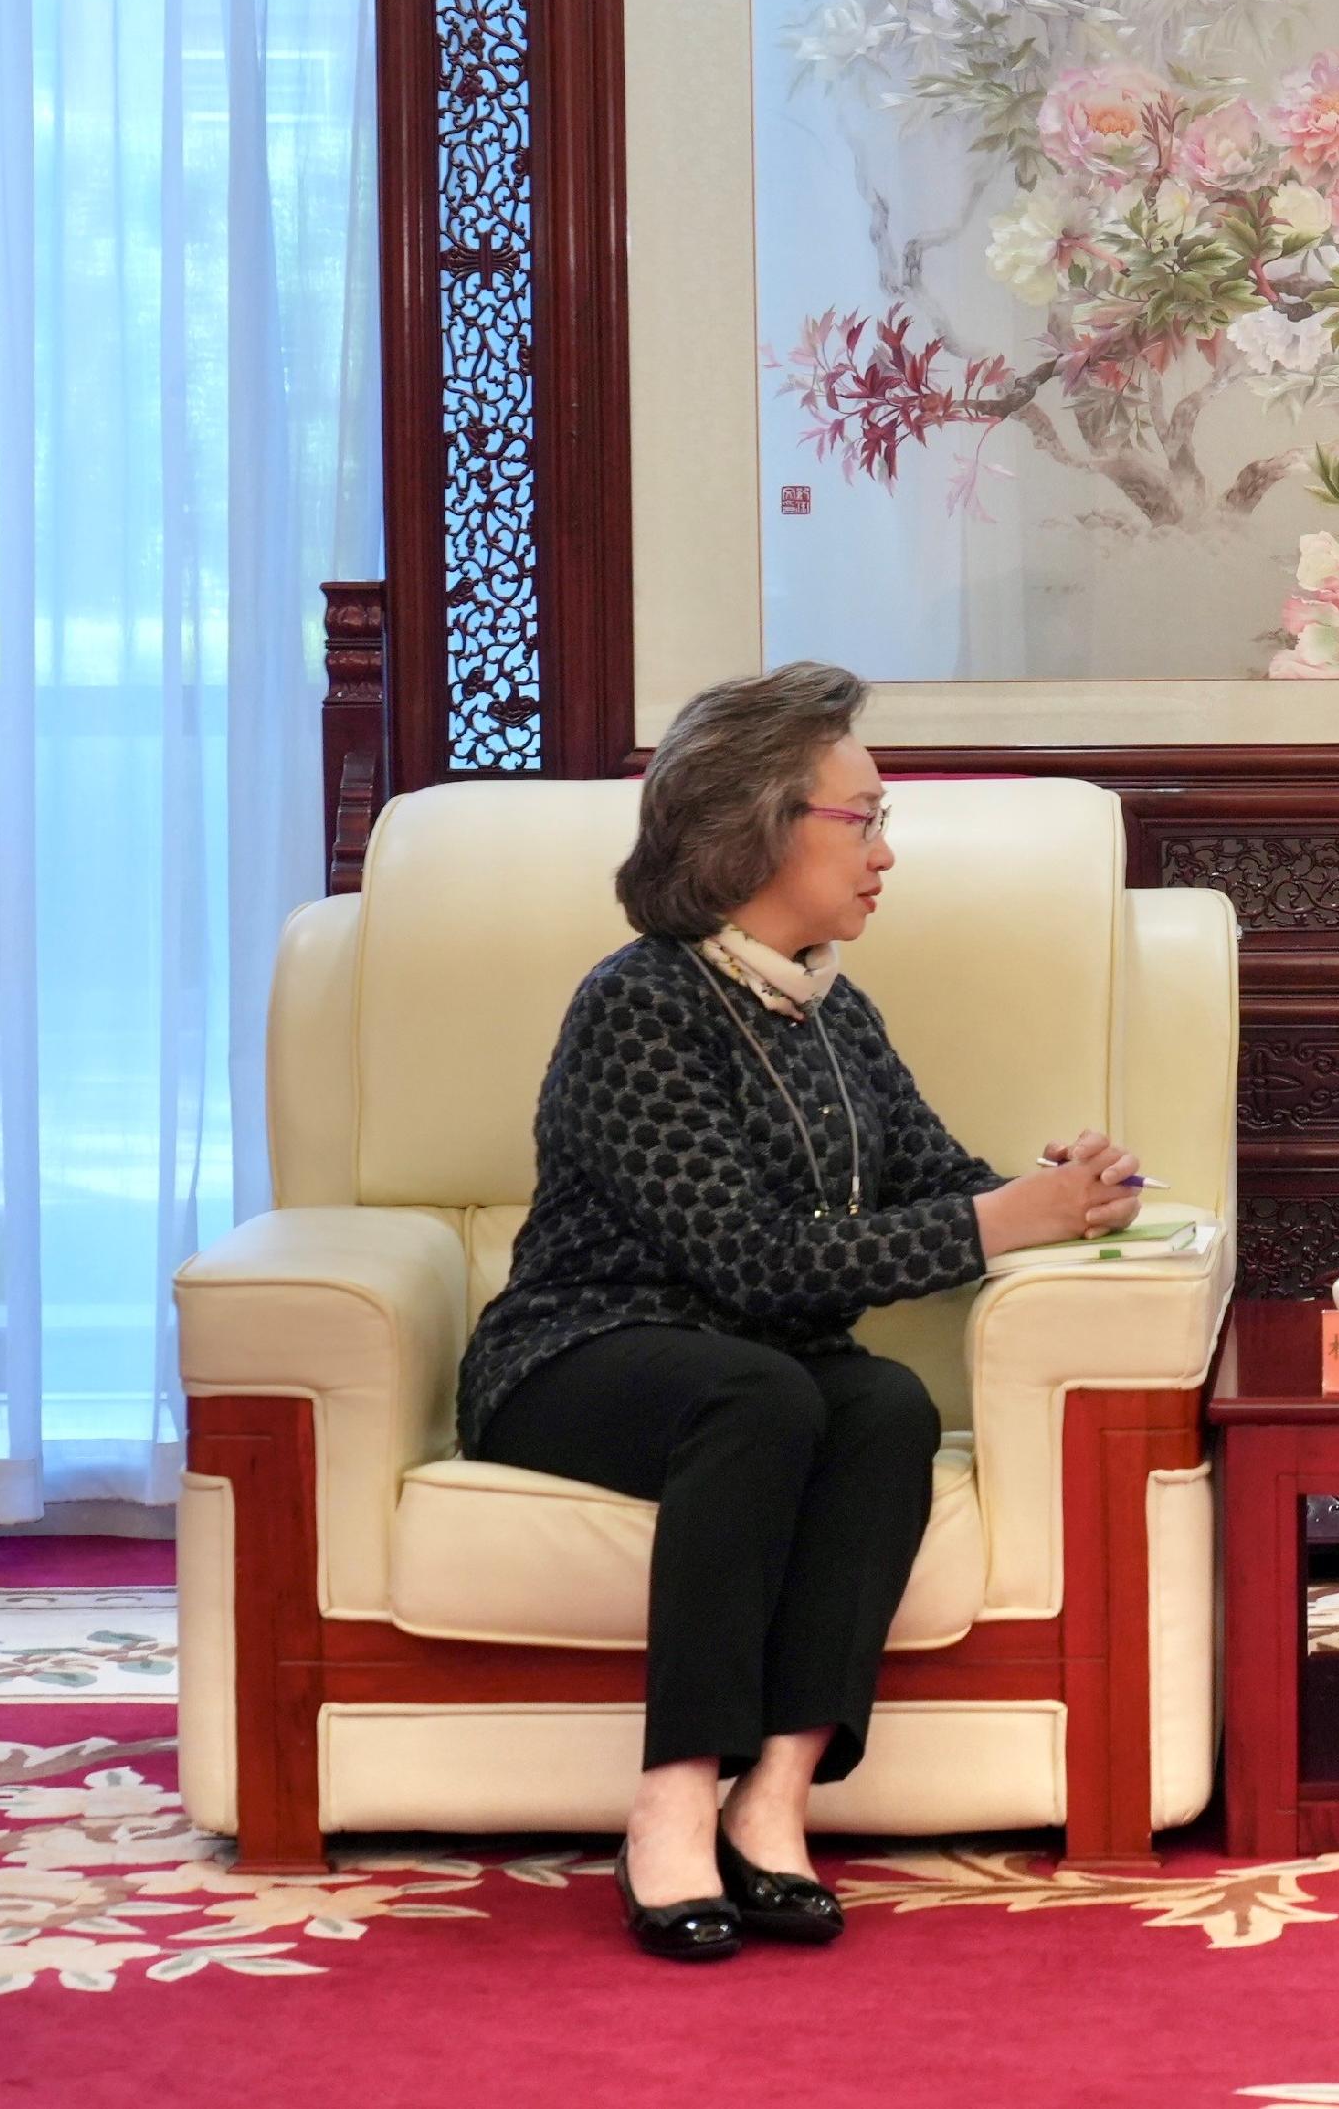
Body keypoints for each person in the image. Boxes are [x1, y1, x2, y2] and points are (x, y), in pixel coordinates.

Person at [457, 662, 1147, 1962]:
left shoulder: (834, 1009)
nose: (886, 852)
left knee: (883, 1401)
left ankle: (774, 1793)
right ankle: (672, 1800)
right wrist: (1002, 1219)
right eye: (864, 818)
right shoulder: (640, 1001)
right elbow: (752, 1259)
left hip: (748, 1368)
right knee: (762, 1389)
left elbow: (942, 1183)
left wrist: (1064, 1192)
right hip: (575, 1354)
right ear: (760, 825)